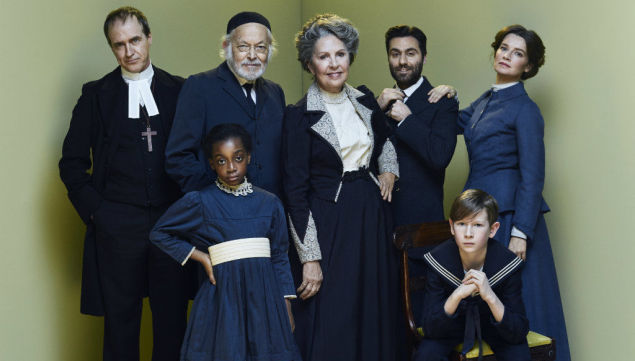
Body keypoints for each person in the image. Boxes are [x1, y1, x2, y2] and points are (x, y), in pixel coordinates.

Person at [429, 24, 571, 360]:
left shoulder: (526, 109)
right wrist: (445, 92)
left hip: (509, 219)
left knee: (520, 308)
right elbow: (454, 121)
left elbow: (533, 177)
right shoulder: (487, 100)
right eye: (504, 48)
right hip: (478, 215)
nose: (507, 56)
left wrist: (522, 232)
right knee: (482, 308)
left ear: (529, 67)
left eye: (518, 53)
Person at [58, 7, 190, 361]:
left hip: (172, 224)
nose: (129, 51)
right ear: (112, 49)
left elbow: (199, 156)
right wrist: (100, 214)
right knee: (120, 326)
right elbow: (71, 164)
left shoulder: (180, 91)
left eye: (135, 40)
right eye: (119, 45)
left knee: (173, 323)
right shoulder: (96, 96)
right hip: (117, 227)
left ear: (149, 38)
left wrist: (188, 212)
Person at [283, 14, 400, 361]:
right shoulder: (299, 115)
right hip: (330, 221)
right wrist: (310, 258)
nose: (334, 64)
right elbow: (294, 194)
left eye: (340, 54)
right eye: (323, 56)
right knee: (335, 313)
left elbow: (385, 140)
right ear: (309, 63)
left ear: (350, 56)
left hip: (371, 214)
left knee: (373, 306)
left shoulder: (364, 99)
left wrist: (389, 170)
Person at [150, 124, 300, 361]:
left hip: (265, 299)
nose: (231, 167)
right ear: (211, 164)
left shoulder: (270, 203)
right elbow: (159, 232)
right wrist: (201, 257)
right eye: (221, 161)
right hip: (223, 298)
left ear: (248, 157)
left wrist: (286, 305)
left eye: (238, 158)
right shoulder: (200, 202)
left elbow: (280, 255)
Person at [166, 11, 286, 196]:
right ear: (227, 47)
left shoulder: (275, 92)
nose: (252, 55)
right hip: (220, 215)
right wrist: (212, 200)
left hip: (270, 212)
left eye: (260, 47)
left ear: (269, 50)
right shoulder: (199, 87)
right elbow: (178, 157)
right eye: (243, 46)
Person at [415, 189, 530, 361]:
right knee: (427, 354)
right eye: (461, 224)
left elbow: (518, 330)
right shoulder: (439, 260)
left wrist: (490, 296)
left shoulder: (506, 263)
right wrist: (457, 295)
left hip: (495, 325)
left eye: (477, 225)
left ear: (493, 229)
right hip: (451, 325)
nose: (468, 233)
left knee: (518, 354)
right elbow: (431, 329)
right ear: (452, 227)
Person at [377, 25, 458, 227]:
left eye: (410, 53)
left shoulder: (443, 102)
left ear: (424, 57)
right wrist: (376, 110)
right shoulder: (377, 103)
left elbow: (439, 156)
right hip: (378, 221)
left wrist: (407, 120)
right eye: (395, 54)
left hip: (420, 223)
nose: (402, 61)